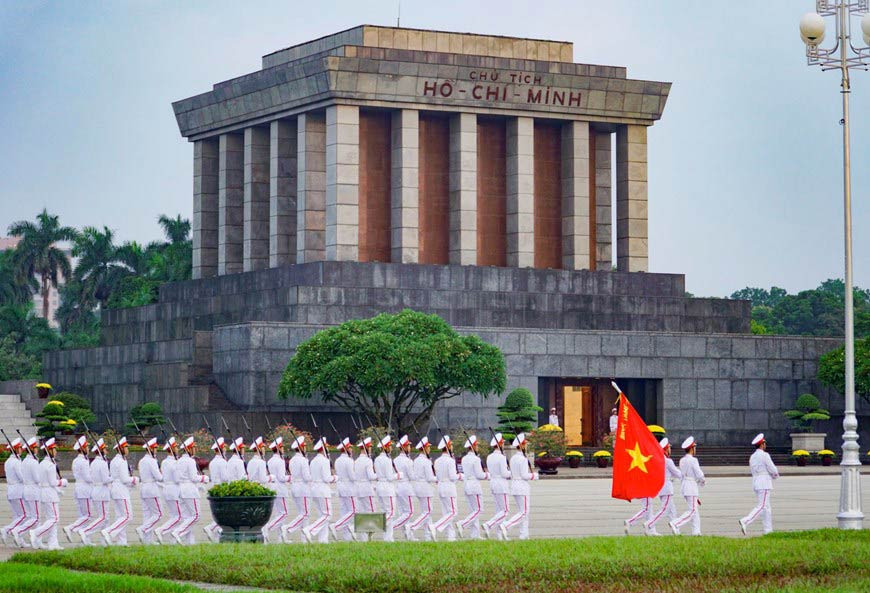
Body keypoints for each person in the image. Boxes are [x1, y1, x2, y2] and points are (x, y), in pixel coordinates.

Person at [30, 437, 68, 550]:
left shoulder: (42, 463)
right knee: (55, 519)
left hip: (45, 493)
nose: (56, 452)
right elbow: (53, 482)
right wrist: (63, 482)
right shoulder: (50, 465)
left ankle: (53, 543)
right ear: (49, 451)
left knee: (51, 519)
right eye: (54, 449)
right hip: (50, 494)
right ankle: (36, 533)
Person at [739, 433, 780, 535]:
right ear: (762, 444)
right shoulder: (765, 455)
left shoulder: (752, 457)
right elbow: (772, 469)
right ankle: (746, 521)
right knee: (762, 506)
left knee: (766, 508)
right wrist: (775, 475)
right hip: (764, 483)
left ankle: (768, 531)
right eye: (764, 443)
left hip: (756, 483)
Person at [172, 436, 209, 544]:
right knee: (196, 516)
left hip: (181, 490)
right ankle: (178, 532)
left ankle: (189, 541)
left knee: (187, 517)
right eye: (193, 447)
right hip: (189, 490)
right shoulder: (190, 461)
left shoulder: (178, 461)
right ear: (188, 449)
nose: (195, 449)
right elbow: (193, 477)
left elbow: (177, 478)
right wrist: (203, 478)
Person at [103, 436, 139, 546]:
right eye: (126, 447)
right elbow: (124, 479)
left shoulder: (114, 460)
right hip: (121, 490)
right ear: (121, 449)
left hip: (115, 489)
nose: (128, 450)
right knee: (128, 516)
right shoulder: (122, 462)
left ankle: (122, 541)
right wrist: (134, 479)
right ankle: (109, 531)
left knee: (120, 516)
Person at [502, 433, 538, 540]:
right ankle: (506, 525)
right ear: (522, 445)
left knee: (523, 511)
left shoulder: (513, 458)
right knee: (524, 512)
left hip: (514, 486)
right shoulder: (522, 459)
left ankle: (524, 534)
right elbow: (524, 475)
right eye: (525, 444)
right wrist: (534, 476)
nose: (526, 446)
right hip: (522, 487)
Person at [644, 438, 681, 536]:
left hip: (661, 487)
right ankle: (650, 524)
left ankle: (676, 530)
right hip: (667, 488)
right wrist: (687, 478)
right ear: (666, 449)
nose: (670, 450)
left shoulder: (658, 459)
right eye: (669, 448)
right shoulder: (667, 461)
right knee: (665, 510)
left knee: (672, 510)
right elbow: (677, 473)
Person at [669, 436, 705, 536]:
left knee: (694, 510)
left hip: (685, 486)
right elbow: (699, 474)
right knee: (692, 510)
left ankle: (696, 531)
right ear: (692, 448)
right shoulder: (693, 460)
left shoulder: (682, 460)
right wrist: (702, 481)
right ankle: (676, 523)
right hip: (691, 486)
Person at [79, 438, 111, 546]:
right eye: (105, 449)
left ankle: (104, 540)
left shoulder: (94, 462)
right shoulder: (102, 463)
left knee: (105, 518)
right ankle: (86, 531)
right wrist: (115, 478)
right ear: (101, 451)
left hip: (97, 491)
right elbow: (106, 479)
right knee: (103, 517)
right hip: (101, 491)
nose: (107, 451)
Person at [303, 437, 335, 543]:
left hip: (314, 489)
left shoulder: (313, 461)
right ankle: (310, 529)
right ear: (323, 449)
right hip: (322, 490)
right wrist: (335, 477)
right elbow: (327, 478)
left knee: (322, 515)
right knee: (327, 515)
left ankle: (323, 540)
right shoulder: (324, 461)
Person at [431, 435, 463, 541]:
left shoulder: (437, 460)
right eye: (451, 446)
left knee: (447, 513)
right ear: (448, 447)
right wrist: (460, 476)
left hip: (440, 486)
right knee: (453, 512)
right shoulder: (450, 461)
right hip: (449, 487)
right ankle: (435, 526)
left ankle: (450, 536)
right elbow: (453, 477)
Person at [12, 437, 41, 548]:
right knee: (36, 518)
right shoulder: (33, 462)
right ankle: (18, 531)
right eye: (35, 448)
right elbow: (37, 479)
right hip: (33, 490)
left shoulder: (24, 461)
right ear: (32, 449)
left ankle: (36, 540)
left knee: (32, 517)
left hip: (26, 490)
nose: (37, 450)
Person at [62, 436, 92, 544]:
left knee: (82, 515)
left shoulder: (76, 460)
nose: (88, 449)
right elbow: (87, 478)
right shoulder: (83, 462)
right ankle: (70, 528)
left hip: (78, 488)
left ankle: (85, 540)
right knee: (88, 516)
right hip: (85, 489)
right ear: (83, 448)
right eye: (87, 447)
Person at [282, 436, 311, 543]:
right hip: (303, 488)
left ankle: (304, 539)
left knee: (302, 514)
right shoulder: (303, 460)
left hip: (295, 487)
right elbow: (306, 477)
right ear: (301, 447)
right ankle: (288, 528)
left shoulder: (292, 460)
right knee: (305, 514)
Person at [482, 432, 511, 540]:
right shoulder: (501, 457)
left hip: (493, 483)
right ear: (499, 444)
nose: (503, 445)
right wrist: (511, 472)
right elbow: (504, 473)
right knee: (505, 511)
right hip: (501, 484)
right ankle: (489, 525)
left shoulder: (490, 457)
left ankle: (500, 535)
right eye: (502, 443)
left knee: (499, 511)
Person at [459, 435, 488, 540]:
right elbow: (479, 475)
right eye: (476, 446)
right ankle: (463, 524)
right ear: (473, 446)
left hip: (467, 485)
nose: (477, 447)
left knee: (473, 511)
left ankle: (475, 534)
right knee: (479, 509)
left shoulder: (464, 458)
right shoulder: (475, 459)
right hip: (474, 485)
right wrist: (487, 475)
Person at [373, 434, 401, 542]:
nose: (391, 448)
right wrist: (398, 475)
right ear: (385, 447)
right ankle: (373, 524)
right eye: (389, 446)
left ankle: (388, 538)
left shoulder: (377, 459)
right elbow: (390, 477)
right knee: (391, 513)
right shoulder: (387, 460)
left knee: (385, 512)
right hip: (387, 487)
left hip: (380, 486)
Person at [262, 437, 290, 543]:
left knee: (279, 514)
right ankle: (268, 528)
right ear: (278, 449)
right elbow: (282, 478)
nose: (283, 449)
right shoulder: (280, 461)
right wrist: (291, 477)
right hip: (280, 489)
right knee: (284, 513)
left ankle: (281, 538)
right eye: (282, 447)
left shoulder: (270, 460)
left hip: (273, 487)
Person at [135, 437, 163, 544]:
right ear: (151, 449)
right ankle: (142, 529)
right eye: (155, 448)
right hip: (151, 489)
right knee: (158, 514)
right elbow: (158, 477)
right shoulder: (151, 461)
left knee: (148, 515)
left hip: (144, 488)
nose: (156, 450)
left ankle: (148, 540)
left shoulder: (142, 460)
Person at [408, 436, 436, 540]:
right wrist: (437, 478)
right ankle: (412, 526)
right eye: (428, 447)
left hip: (418, 487)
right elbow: (429, 477)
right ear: (424, 449)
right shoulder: (426, 461)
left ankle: (428, 536)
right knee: (428, 512)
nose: (429, 449)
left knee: (426, 512)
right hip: (425, 488)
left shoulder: (416, 460)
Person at [329, 437, 357, 541]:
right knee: (353, 511)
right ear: (346, 449)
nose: (351, 450)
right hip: (349, 488)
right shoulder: (349, 461)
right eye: (350, 448)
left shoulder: (338, 460)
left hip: (341, 488)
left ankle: (347, 537)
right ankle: (336, 526)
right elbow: (352, 477)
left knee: (345, 513)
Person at [1, 438, 28, 546]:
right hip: (18, 490)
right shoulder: (16, 462)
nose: (21, 449)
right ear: (16, 449)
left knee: (17, 516)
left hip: (11, 491)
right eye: (20, 448)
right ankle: (7, 530)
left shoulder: (8, 461)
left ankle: (19, 539)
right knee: (24, 515)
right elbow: (22, 477)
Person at [155, 437, 181, 544]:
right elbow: (177, 479)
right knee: (179, 516)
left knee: (174, 515)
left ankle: (172, 539)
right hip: (174, 490)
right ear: (172, 449)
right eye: (176, 447)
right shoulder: (174, 463)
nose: (177, 449)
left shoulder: (165, 462)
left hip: (166, 489)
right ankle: (161, 530)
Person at [203, 436, 229, 543]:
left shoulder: (213, 462)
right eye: (224, 448)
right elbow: (225, 478)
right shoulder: (222, 462)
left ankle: (218, 532)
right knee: (224, 513)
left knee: (219, 512)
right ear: (222, 449)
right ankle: (211, 527)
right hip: (222, 488)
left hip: (215, 487)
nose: (226, 450)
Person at [352, 436, 377, 542]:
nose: (370, 449)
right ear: (366, 448)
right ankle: (369, 536)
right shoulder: (368, 461)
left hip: (358, 489)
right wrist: (379, 475)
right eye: (369, 447)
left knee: (361, 513)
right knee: (371, 512)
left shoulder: (356, 460)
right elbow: (371, 476)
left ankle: (363, 538)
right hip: (367, 489)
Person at [392, 435, 415, 540]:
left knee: (403, 513)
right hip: (406, 487)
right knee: (409, 512)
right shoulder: (408, 461)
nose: (410, 448)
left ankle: (408, 536)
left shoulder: (395, 460)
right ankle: (391, 527)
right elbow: (412, 476)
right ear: (405, 447)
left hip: (397, 486)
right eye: (409, 446)